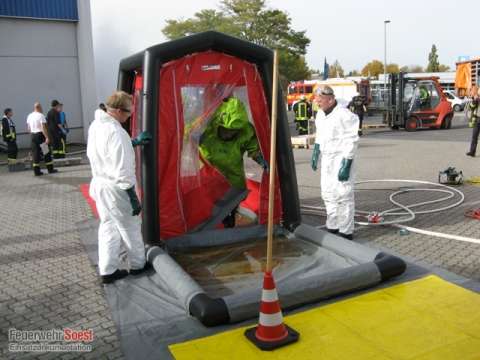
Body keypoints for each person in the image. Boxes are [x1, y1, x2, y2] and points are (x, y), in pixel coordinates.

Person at [87, 91, 152, 284]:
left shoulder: (96, 125)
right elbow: (122, 169)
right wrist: (132, 197)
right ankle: (138, 265)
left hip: (100, 184)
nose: (129, 115)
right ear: (115, 110)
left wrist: (133, 142)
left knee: (108, 227)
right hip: (117, 189)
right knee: (130, 226)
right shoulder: (116, 132)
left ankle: (108, 270)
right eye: (127, 112)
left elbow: (104, 152)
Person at [198, 96, 268, 228]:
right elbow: (184, 136)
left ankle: (227, 227)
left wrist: (260, 159)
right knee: (208, 212)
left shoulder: (245, 131)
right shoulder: (206, 127)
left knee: (230, 209)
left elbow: (253, 148)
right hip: (209, 177)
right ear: (219, 123)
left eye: (234, 132)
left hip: (233, 178)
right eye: (227, 130)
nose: (230, 134)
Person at [310, 86, 359, 240]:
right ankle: (333, 225)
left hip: (340, 158)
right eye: (316, 99)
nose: (317, 102)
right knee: (328, 193)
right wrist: (316, 152)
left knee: (343, 194)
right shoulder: (320, 115)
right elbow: (320, 135)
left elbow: (351, 140)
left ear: (330, 99)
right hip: (327, 159)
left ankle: (346, 230)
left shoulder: (345, 115)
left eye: (320, 99)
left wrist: (346, 163)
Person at [26, 102, 58, 176]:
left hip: (33, 136)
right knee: (46, 152)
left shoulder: (29, 116)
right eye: (41, 107)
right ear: (38, 107)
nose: (42, 109)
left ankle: (36, 172)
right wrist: (47, 137)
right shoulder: (41, 116)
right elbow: (43, 128)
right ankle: (50, 169)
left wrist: (32, 135)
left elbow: (28, 129)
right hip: (40, 136)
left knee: (35, 153)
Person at [466, 88, 480, 157]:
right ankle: (472, 152)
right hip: (477, 119)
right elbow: (471, 107)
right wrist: (474, 100)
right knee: (474, 136)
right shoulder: (476, 99)